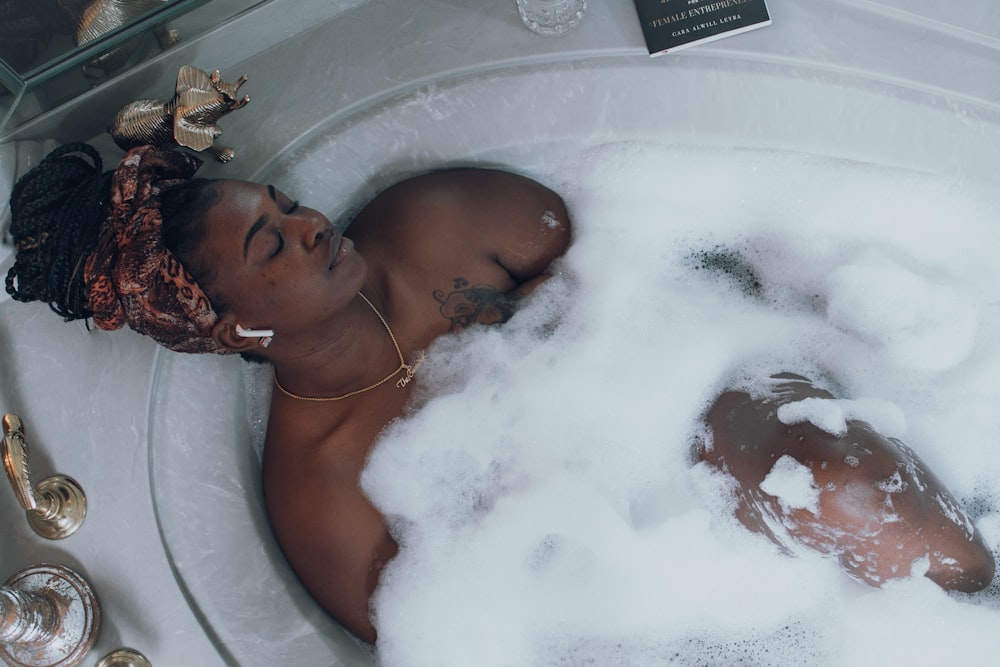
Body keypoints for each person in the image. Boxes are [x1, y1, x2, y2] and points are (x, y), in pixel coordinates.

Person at [5, 144, 995, 644]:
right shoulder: (323, 490)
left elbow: (675, 270)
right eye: (273, 242)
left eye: (284, 206)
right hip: (629, 570)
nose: (308, 225)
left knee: (844, 486)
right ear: (231, 329)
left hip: (697, 396)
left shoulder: (441, 221)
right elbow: (473, 633)